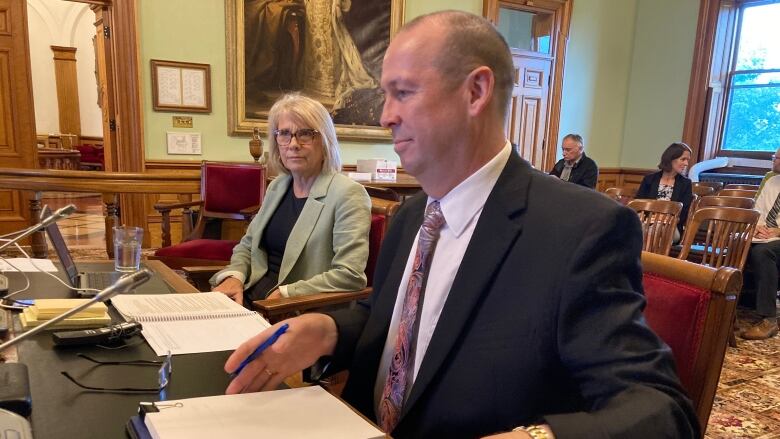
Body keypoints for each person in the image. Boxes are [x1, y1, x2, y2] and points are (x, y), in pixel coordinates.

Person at [224, 11, 699, 439]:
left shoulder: (582, 228)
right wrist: (328, 329)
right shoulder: (411, 215)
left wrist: (537, 438)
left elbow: (662, 411)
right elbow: (387, 318)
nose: (386, 115)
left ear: (475, 91)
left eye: (403, 93)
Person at [210, 93, 371, 306]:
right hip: (251, 296)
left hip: (295, 311)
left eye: (305, 134)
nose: (293, 144)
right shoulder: (278, 185)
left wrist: (287, 294)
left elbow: (349, 275)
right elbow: (248, 245)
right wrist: (234, 277)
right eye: (284, 133)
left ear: (324, 141)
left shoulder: (348, 194)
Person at [743, 149, 780, 340]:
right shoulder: (771, 180)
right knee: (738, 244)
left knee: (763, 252)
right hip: (765, 234)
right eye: (775, 156)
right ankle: (735, 302)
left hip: (777, 238)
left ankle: (769, 319)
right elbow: (758, 209)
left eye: (778, 158)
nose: (774, 160)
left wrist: (778, 231)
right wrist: (758, 226)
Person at [635, 142, 694, 240]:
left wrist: (663, 220)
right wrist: (649, 218)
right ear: (671, 158)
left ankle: (646, 255)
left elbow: (684, 214)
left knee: (655, 229)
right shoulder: (649, 180)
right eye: (683, 159)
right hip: (647, 222)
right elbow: (638, 205)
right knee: (636, 229)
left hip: (671, 227)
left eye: (687, 160)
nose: (686, 164)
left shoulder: (685, 184)